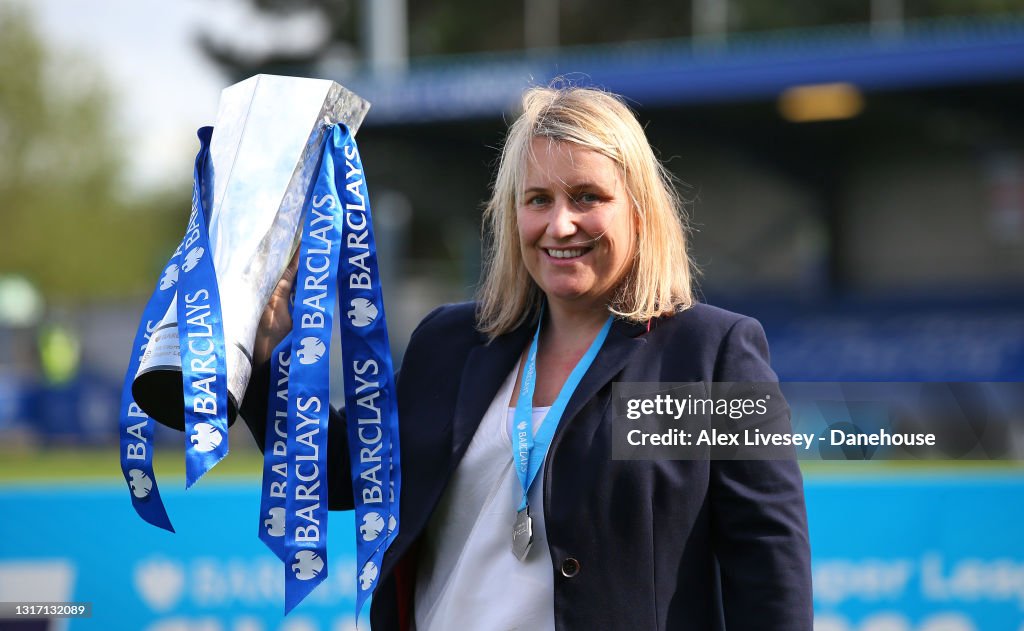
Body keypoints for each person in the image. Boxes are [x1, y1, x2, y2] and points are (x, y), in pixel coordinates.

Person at [243, 85, 813, 630]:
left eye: (587, 197)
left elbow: (767, 565)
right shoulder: (451, 344)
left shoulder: (706, 358)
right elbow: (345, 474)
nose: (559, 224)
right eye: (538, 199)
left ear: (638, 209)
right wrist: (265, 360)